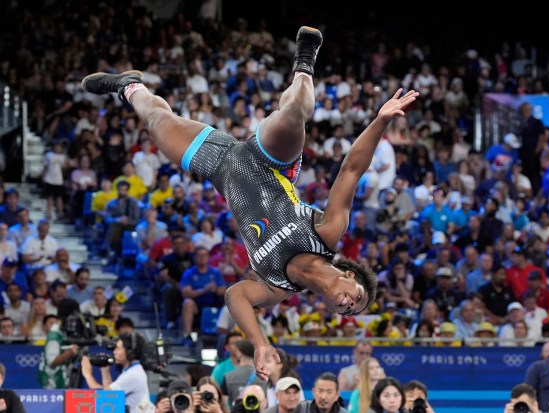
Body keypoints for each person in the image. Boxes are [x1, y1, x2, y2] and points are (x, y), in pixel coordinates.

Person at [81, 26, 417, 380]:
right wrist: (380, 122)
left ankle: (128, 85)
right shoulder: (327, 232)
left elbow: (235, 296)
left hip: (223, 168)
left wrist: (259, 343)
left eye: (350, 311)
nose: (350, 305)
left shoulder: (277, 287)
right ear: (350, 275)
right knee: (291, 114)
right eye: (357, 297)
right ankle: (305, 59)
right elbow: (350, 169)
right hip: (271, 161)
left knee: (157, 121)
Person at [80, 332, 153, 413]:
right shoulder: (132, 370)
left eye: (118, 349)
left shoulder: (133, 374)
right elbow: (110, 395)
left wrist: (88, 375)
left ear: (129, 353)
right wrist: (105, 371)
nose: (114, 352)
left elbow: (104, 397)